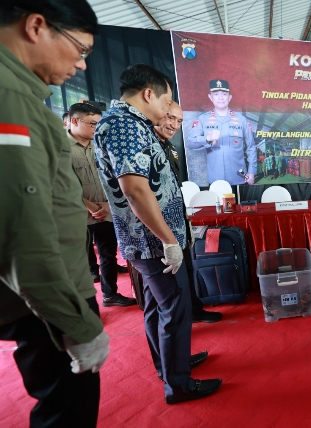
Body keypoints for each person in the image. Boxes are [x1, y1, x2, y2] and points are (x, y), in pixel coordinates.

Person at [0, 1, 110, 426]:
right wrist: (78, 325)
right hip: (48, 302)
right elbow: (22, 234)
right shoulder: (11, 100)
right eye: (80, 49)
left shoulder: (20, 96)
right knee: (67, 411)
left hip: (43, 297)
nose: (81, 65)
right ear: (36, 26)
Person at [94, 63, 221, 404]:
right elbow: (136, 190)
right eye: (166, 103)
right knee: (175, 310)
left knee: (155, 306)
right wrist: (168, 240)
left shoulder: (131, 123)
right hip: (153, 243)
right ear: (148, 94)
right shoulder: (123, 125)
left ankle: (169, 365)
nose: (167, 112)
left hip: (150, 240)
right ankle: (178, 384)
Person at [153, 101, 223, 323]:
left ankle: (194, 311)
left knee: (187, 273)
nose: (174, 125)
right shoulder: (148, 146)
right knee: (171, 288)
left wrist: (184, 221)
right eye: (170, 118)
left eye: (179, 121)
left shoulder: (169, 148)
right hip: (160, 229)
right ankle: (180, 326)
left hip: (177, 222)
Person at [68, 102, 137, 307]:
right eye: (92, 124)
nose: (96, 128)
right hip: (78, 214)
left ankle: (110, 294)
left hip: (106, 211)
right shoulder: (60, 148)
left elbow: (113, 176)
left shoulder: (99, 145)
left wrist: (108, 204)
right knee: (79, 261)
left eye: (99, 124)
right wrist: (90, 206)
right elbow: (62, 184)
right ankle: (82, 305)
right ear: (75, 121)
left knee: (108, 255)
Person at [186, 79, 257, 185]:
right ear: (210, 97)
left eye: (224, 94)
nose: (220, 98)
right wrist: (206, 138)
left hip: (239, 178)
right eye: (216, 94)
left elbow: (251, 147)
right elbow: (190, 143)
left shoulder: (242, 120)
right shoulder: (203, 119)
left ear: (230, 97)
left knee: (238, 197)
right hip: (215, 180)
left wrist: (252, 171)